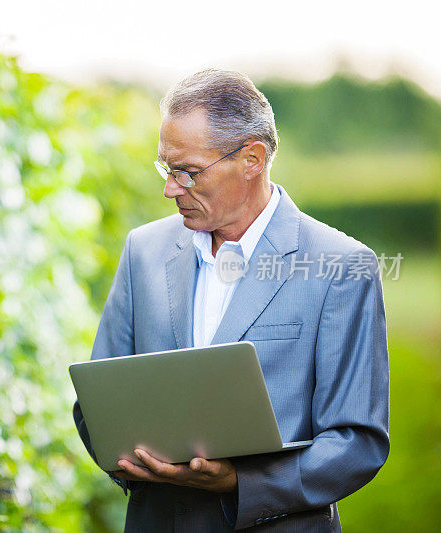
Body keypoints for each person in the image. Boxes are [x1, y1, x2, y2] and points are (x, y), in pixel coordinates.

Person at [72, 69, 389, 532]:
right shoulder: (144, 251)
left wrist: (240, 482)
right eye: (166, 167)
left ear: (253, 159)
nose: (170, 188)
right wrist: (131, 461)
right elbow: (98, 402)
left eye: (188, 172)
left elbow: (357, 442)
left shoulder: (341, 265)